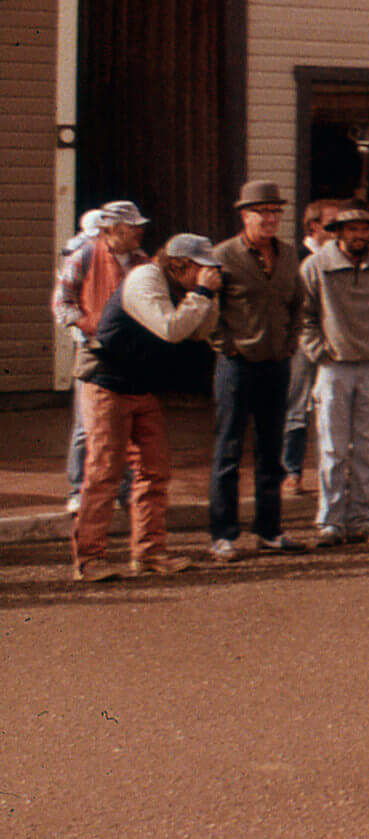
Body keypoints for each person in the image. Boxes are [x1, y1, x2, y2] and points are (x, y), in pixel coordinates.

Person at [71, 234, 221, 582]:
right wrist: (200, 295)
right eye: (201, 267)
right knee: (105, 471)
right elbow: (171, 329)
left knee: (155, 469)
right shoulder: (145, 278)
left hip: (141, 384)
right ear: (180, 264)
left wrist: (208, 298)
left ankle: (149, 552)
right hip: (106, 381)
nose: (207, 274)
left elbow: (199, 333)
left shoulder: (180, 285)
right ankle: (90, 558)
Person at [208, 181, 307, 561]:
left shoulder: (286, 254)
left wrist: (291, 341)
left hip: (276, 363)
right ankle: (223, 535)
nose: (268, 220)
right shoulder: (224, 255)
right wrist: (224, 345)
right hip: (236, 366)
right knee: (229, 451)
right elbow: (209, 308)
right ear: (244, 215)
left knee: (271, 451)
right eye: (260, 213)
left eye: (274, 213)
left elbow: (298, 302)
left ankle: (269, 530)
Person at [301, 206, 369, 546]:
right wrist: (318, 349)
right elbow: (303, 315)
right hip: (334, 366)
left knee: (368, 449)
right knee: (332, 448)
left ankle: (363, 520)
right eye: (352, 230)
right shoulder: (316, 267)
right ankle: (330, 522)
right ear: (338, 232)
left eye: (364, 230)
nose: (359, 236)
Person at [51, 201, 148, 514]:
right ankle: (78, 488)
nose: (139, 231)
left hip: (131, 353)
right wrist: (87, 326)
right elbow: (62, 303)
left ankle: (122, 490)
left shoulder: (142, 262)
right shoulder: (85, 256)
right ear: (115, 229)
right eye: (133, 226)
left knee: (126, 423)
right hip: (94, 349)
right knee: (87, 424)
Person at [283, 198, 342, 493]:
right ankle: (291, 471)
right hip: (304, 340)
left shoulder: (341, 258)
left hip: (335, 342)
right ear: (314, 226)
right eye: (332, 222)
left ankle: (329, 474)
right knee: (298, 404)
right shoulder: (298, 259)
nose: (337, 228)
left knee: (332, 407)